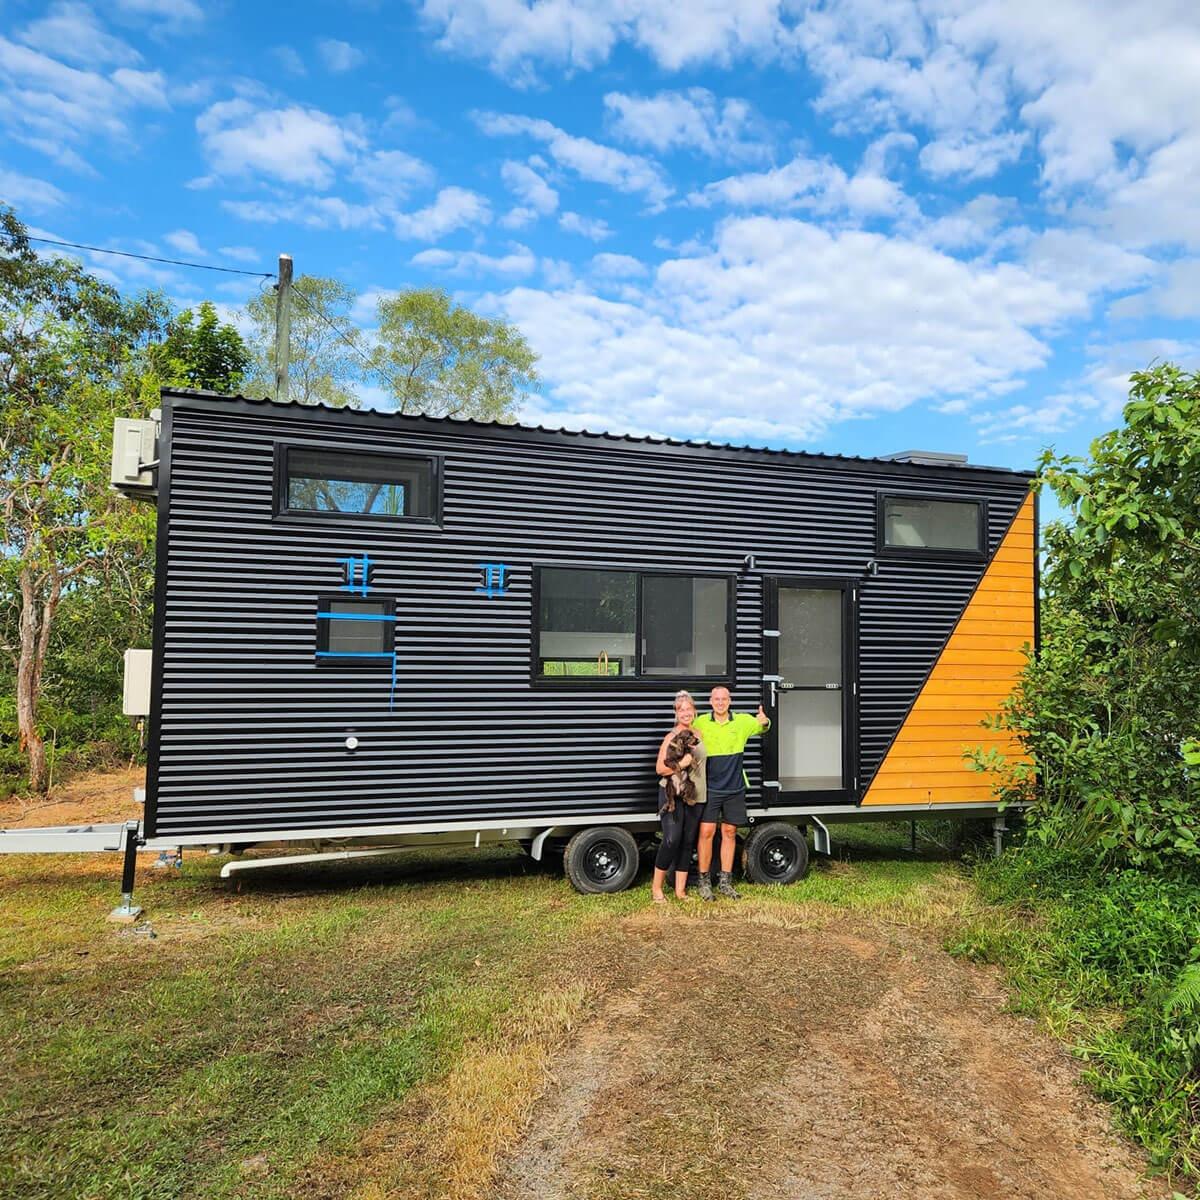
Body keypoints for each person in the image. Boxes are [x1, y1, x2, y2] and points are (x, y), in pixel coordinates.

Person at [692, 686, 770, 901]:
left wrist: (764, 721)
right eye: (716, 699)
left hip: (735, 788)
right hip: (711, 788)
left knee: (729, 832)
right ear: (710, 701)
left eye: (723, 699)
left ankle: (725, 881)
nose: (720, 702)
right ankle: (704, 881)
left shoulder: (742, 721)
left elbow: (762, 726)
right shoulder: (701, 723)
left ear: (729, 700)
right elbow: (686, 735)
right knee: (706, 832)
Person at [651, 690, 707, 903]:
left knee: (687, 841)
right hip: (672, 792)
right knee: (671, 839)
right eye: (681, 709)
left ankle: (680, 892)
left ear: (694, 711)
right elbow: (659, 768)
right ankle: (657, 889)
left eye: (689, 708)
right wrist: (681, 765)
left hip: (694, 794)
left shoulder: (700, 734)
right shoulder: (671, 737)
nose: (685, 712)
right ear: (676, 713)